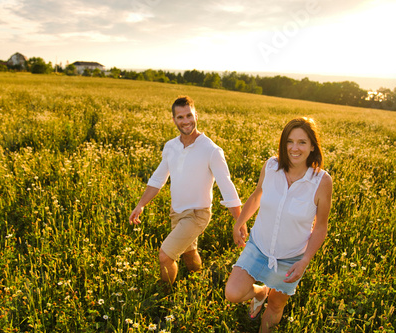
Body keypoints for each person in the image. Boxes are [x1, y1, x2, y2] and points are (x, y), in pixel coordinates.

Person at [225, 117, 333, 333]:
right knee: (233, 294)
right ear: (283, 143)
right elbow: (257, 195)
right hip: (259, 246)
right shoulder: (271, 166)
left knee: (276, 304)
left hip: (291, 257)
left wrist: (304, 260)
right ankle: (259, 292)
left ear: (313, 146)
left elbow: (321, 227)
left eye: (302, 142)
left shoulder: (321, 181)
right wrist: (240, 222)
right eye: (290, 141)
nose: (295, 148)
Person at [129, 95, 242, 286]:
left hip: (198, 215)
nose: (185, 121)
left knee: (165, 256)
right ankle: (198, 283)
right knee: (189, 253)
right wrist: (141, 205)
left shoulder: (211, 150)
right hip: (177, 212)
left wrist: (239, 223)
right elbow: (157, 179)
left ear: (196, 115)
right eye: (180, 117)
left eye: (189, 115)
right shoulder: (171, 147)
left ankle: (165, 296)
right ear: (173, 120)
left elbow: (227, 187)